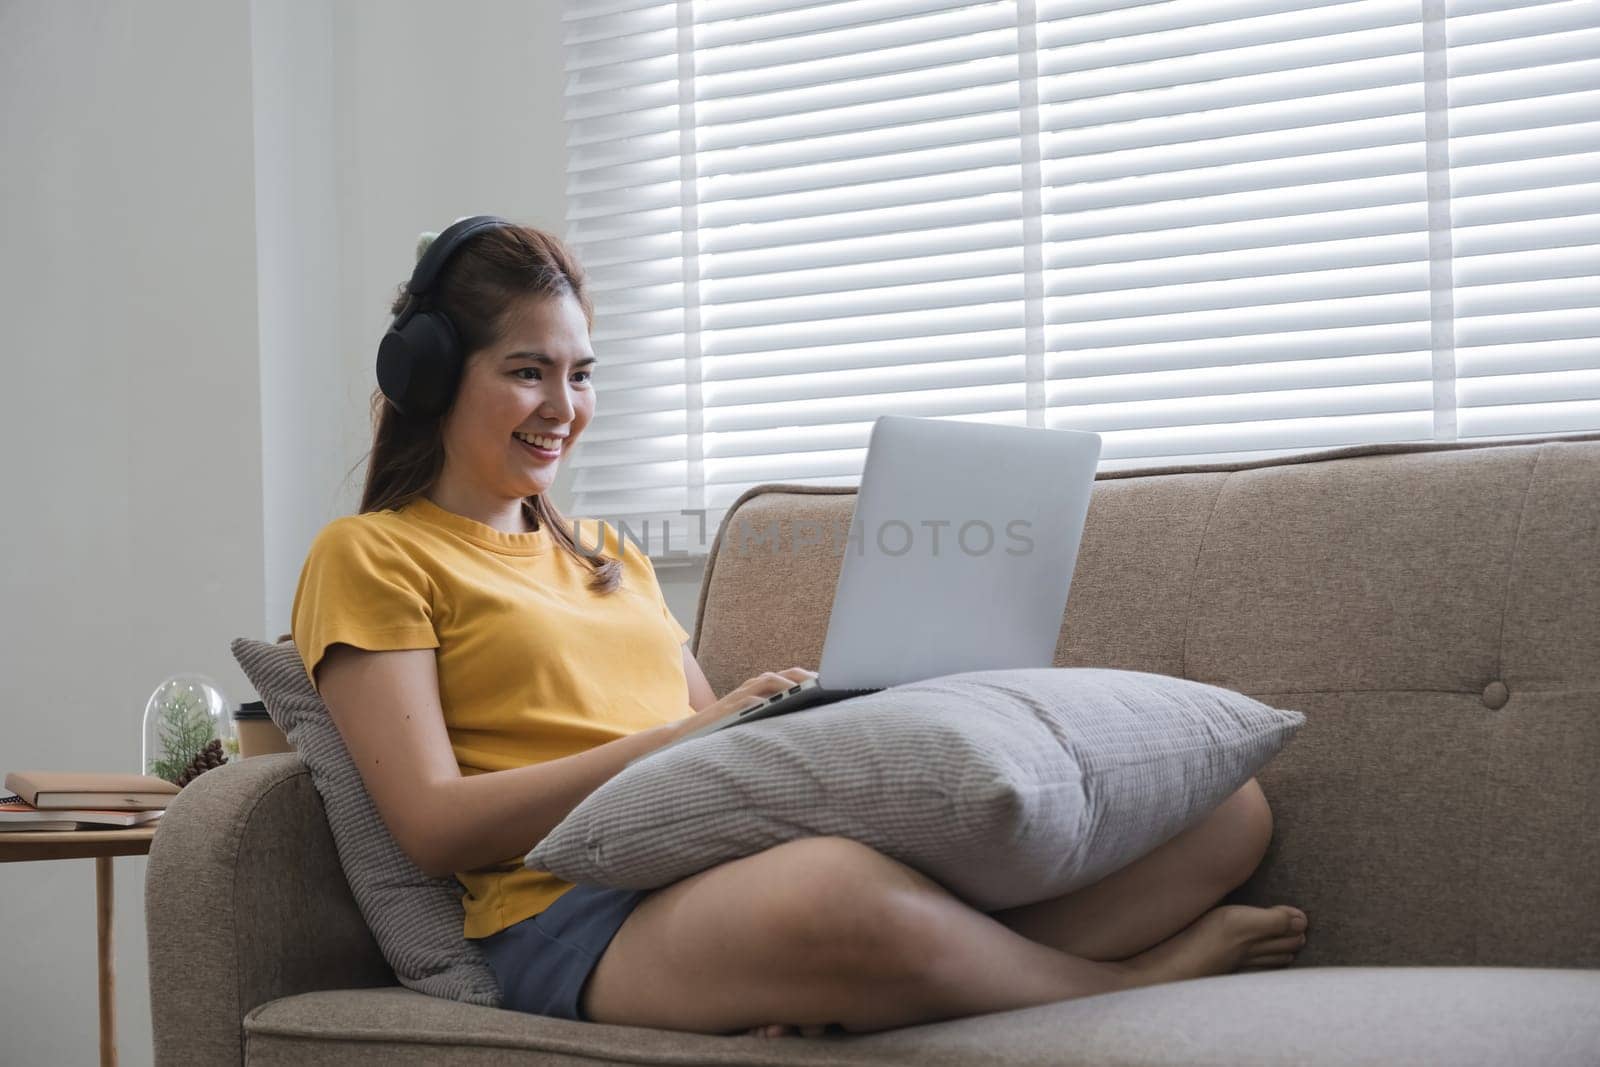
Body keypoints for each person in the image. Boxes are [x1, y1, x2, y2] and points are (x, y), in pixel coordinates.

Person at [290, 217, 1309, 1041]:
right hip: (570, 914)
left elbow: (713, 756)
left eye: (582, 372)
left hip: (703, 865)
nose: (564, 404)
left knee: (1228, 810)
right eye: (527, 370)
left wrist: (812, 715)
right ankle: (1117, 980)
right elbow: (431, 821)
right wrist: (685, 736)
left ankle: (908, 973)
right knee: (834, 892)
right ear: (429, 376)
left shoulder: (607, 550)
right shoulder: (374, 554)